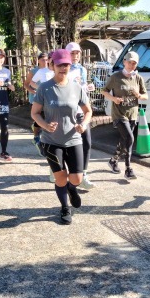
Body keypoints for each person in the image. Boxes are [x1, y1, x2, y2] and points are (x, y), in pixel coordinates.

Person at [31, 48, 92, 225]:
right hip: (51, 141)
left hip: (73, 139)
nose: (63, 68)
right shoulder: (44, 88)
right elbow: (35, 113)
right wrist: (45, 125)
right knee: (60, 177)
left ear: (70, 66)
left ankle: (72, 189)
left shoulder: (76, 87)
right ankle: (65, 207)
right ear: (52, 66)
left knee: (77, 179)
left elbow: (88, 111)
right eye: (59, 65)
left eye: (66, 65)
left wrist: (83, 124)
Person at [102, 51, 148, 182]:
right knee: (129, 138)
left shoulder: (138, 78)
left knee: (124, 140)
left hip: (132, 113)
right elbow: (104, 91)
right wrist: (114, 99)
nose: (131, 65)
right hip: (119, 113)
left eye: (134, 63)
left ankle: (113, 160)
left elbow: (145, 96)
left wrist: (138, 95)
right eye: (129, 62)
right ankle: (128, 169)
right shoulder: (115, 77)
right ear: (124, 62)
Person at [65, 42, 96, 190]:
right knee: (66, 144)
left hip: (80, 111)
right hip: (66, 112)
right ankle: (60, 170)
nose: (75, 56)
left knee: (87, 142)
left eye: (77, 53)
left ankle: (83, 174)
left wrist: (88, 87)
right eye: (72, 53)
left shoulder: (82, 69)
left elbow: (81, 88)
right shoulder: (62, 68)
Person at [24, 52, 48, 150]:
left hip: (47, 98)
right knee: (38, 117)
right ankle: (36, 136)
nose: (45, 62)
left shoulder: (51, 70)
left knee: (46, 117)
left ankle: (45, 137)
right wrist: (33, 92)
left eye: (47, 60)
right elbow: (26, 84)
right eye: (43, 60)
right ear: (38, 61)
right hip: (36, 98)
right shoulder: (34, 71)